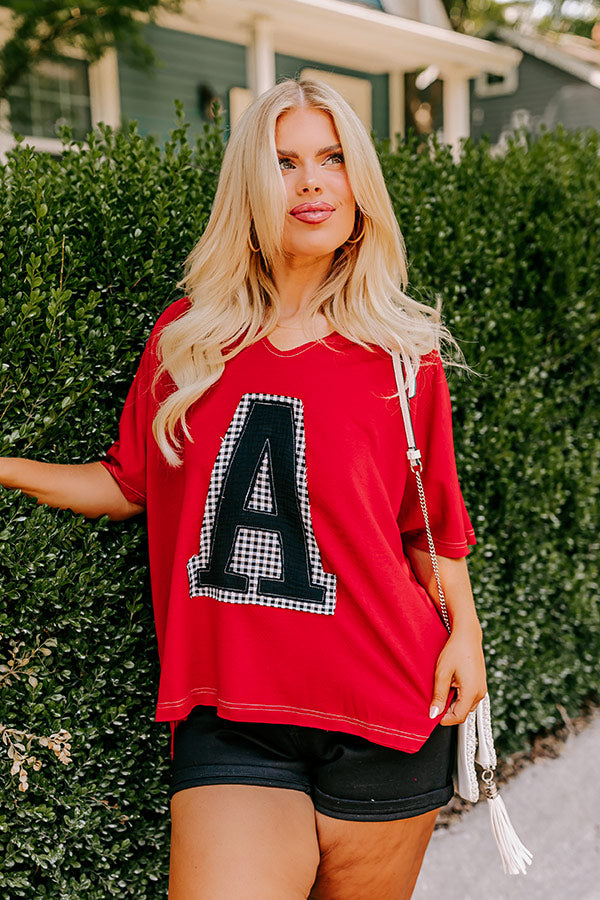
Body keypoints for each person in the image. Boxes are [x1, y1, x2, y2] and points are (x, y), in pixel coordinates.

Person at [0, 79, 487, 899]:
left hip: (386, 712)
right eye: (285, 160)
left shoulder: (405, 356)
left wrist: (466, 637)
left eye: (333, 159)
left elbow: (429, 527)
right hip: (232, 714)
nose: (312, 183)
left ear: (360, 184)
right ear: (250, 185)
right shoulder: (188, 338)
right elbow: (127, 483)